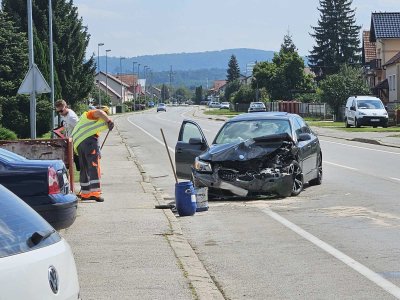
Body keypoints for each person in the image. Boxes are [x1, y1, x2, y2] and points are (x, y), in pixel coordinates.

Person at [71, 108, 114, 202]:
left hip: (78, 144)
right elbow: (100, 112)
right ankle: (95, 193)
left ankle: (85, 194)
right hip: (88, 143)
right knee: (93, 166)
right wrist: (109, 121)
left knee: (84, 168)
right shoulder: (92, 114)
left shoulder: (85, 119)